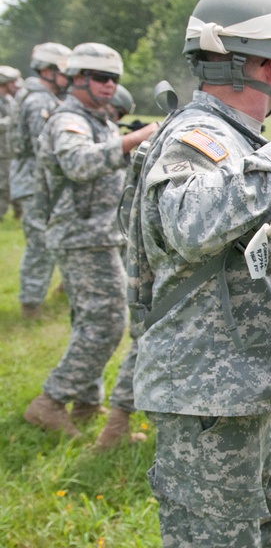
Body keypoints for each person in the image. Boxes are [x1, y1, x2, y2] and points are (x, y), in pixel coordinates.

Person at [130, 0, 271, 546]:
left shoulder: (238, 141)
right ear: (269, 68)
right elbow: (191, 225)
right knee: (215, 536)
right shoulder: (196, 137)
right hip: (210, 395)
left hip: (269, 382)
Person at [23, 43, 159, 439]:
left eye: (114, 79)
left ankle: (85, 401)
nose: (108, 86)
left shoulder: (96, 117)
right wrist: (137, 139)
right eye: (100, 78)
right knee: (106, 320)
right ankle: (50, 401)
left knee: (89, 319)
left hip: (98, 233)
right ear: (76, 78)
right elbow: (79, 164)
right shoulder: (69, 120)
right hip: (82, 234)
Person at [93, 83, 148, 451]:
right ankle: (114, 426)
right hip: (91, 231)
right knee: (146, 331)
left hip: (115, 233)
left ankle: (109, 419)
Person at [11, 42, 71, 319]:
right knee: (40, 244)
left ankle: (61, 290)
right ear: (47, 71)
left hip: (39, 182)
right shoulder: (38, 102)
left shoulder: (40, 98)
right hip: (35, 182)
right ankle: (30, 307)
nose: (68, 79)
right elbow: (44, 150)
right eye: (63, 72)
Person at [0, 65, 23, 220]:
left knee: (10, 184)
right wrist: (13, 121)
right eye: (12, 82)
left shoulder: (9, 100)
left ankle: (17, 214)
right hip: (1, 152)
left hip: (9, 150)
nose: (15, 85)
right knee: (2, 186)